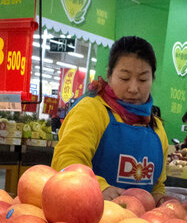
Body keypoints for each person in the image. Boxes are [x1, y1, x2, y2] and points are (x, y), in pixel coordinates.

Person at [51, 36, 168, 202]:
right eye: (125, 78)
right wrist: (99, 187)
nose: (133, 88)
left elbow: (157, 185)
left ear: (152, 79)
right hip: (87, 216)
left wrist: (161, 202)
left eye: (143, 79)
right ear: (109, 75)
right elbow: (66, 161)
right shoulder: (91, 110)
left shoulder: (156, 129)